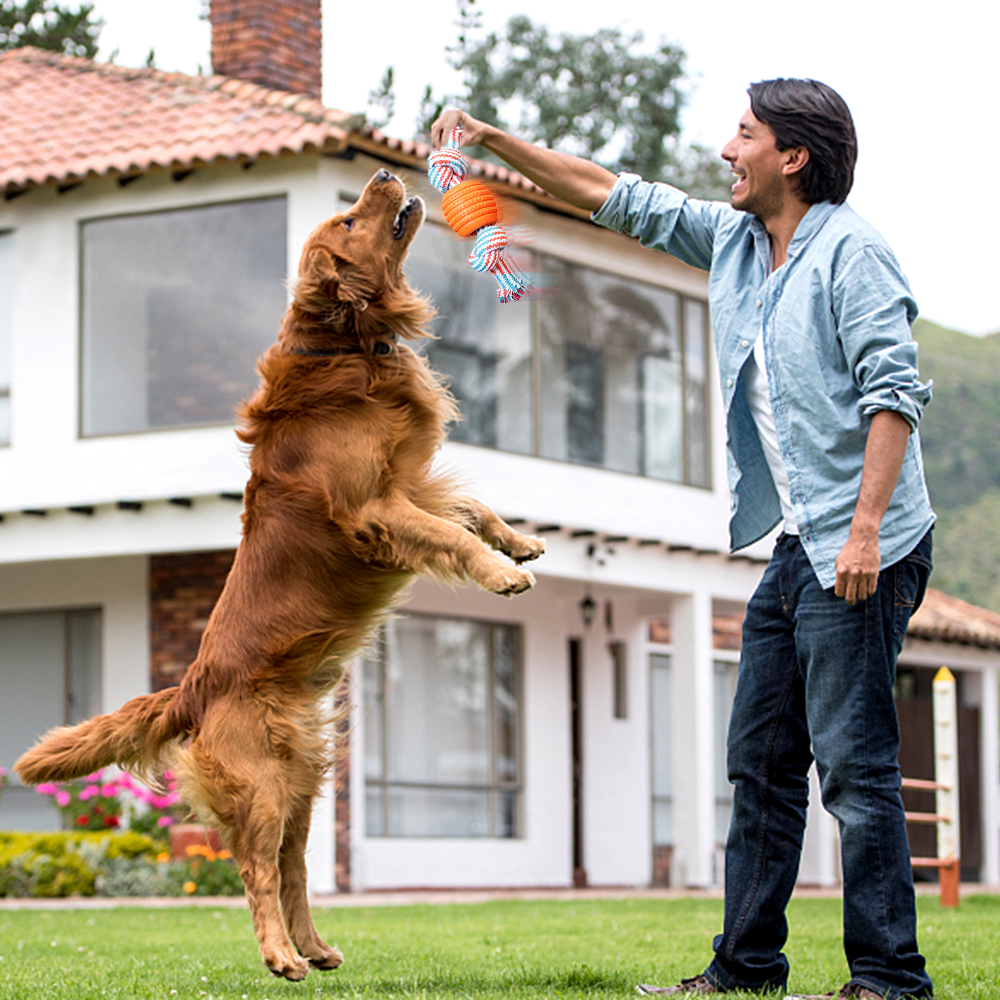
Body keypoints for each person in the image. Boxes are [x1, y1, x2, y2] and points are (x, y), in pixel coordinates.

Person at [431, 78, 935, 1000]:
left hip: (865, 543)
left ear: (793, 156)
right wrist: (493, 140)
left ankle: (890, 981)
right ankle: (746, 969)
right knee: (760, 762)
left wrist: (864, 531)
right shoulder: (738, 242)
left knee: (855, 772)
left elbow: (894, 395)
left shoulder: (853, 255)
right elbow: (610, 193)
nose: (723, 151)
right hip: (799, 543)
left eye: (742, 135)